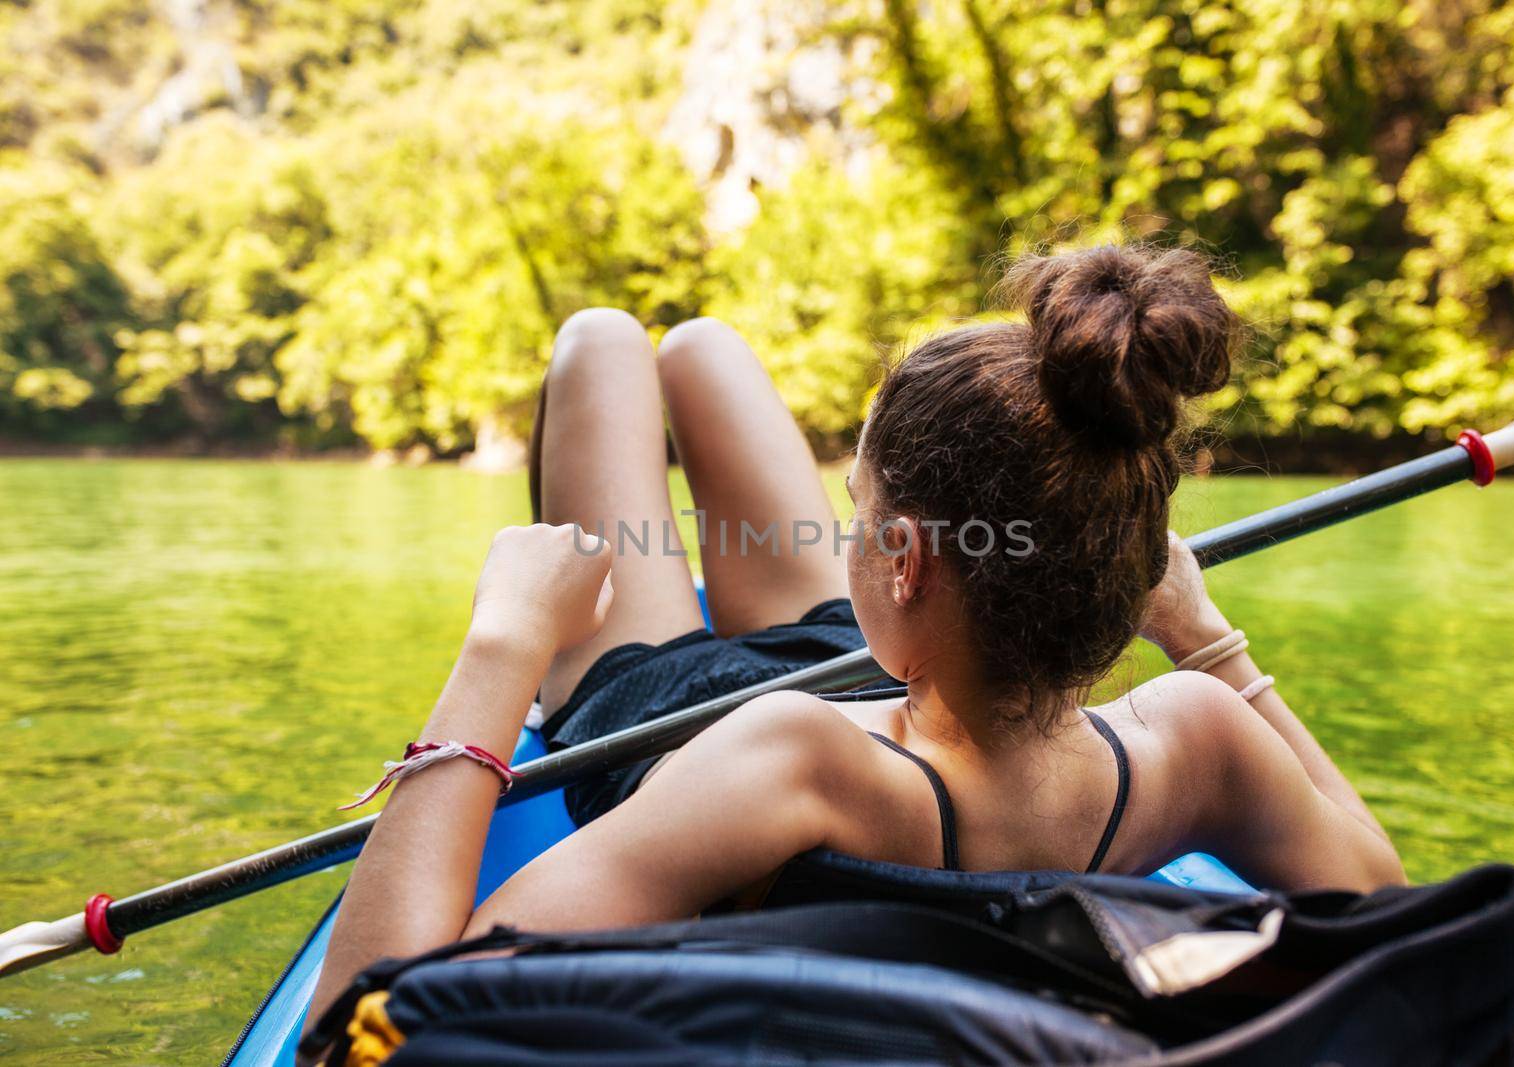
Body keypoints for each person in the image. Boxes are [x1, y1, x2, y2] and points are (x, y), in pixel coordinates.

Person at [307, 244, 1404, 1023]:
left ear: (906, 557)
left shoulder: (783, 760)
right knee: (700, 351)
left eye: (857, 500)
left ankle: (632, 364)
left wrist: (505, 641)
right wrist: (1208, 639)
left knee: (601, 341)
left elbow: (369, 1025)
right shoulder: (1195, 735)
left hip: (666, 703)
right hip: (880, 668)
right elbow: (1379, 894)